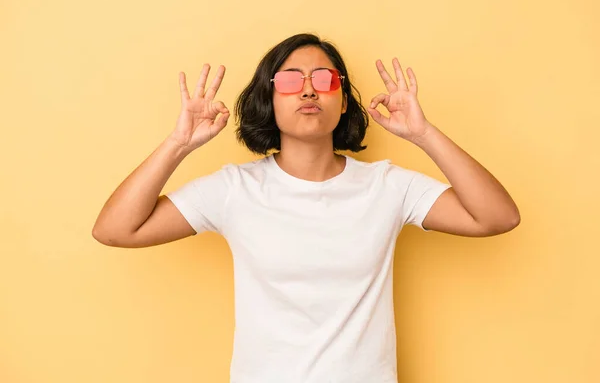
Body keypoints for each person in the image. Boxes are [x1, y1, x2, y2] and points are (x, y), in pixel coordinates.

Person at [92, 33, 520, 383]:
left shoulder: (387, 186)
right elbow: (115, 230)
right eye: (291, 81)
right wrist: (177, 145)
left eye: (324, 79)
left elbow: (497, 217)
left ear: (344, 100)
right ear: (270, 100)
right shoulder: (235, 189)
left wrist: (424, 135)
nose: (310, 89)